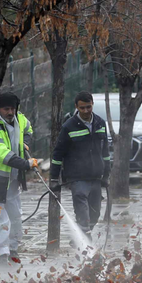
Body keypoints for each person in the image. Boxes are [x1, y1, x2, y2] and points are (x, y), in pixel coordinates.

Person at [0, 92, 36, 268]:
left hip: (12, 179)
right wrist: (26, 164)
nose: (10, 112)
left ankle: (13, 249)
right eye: (6, 109)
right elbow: (3, 155)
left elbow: (28, 129)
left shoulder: (19, 118)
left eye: (12, 108)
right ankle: (1, 255)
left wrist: (25, 142)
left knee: (15, 216)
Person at [49, 91, 111, 241]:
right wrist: (54, 178)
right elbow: (58, 154)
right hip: (76, 177)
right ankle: (86, 242)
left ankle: (79, 238)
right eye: (82, 108)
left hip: (96, 176)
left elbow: (105, 152)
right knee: (82, 210)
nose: (85, 111)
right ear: (76, 107)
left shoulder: (100, 123)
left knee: (95, 213)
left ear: (92, 105)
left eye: (88, 107)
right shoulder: (68, 127)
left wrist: (106, 174)